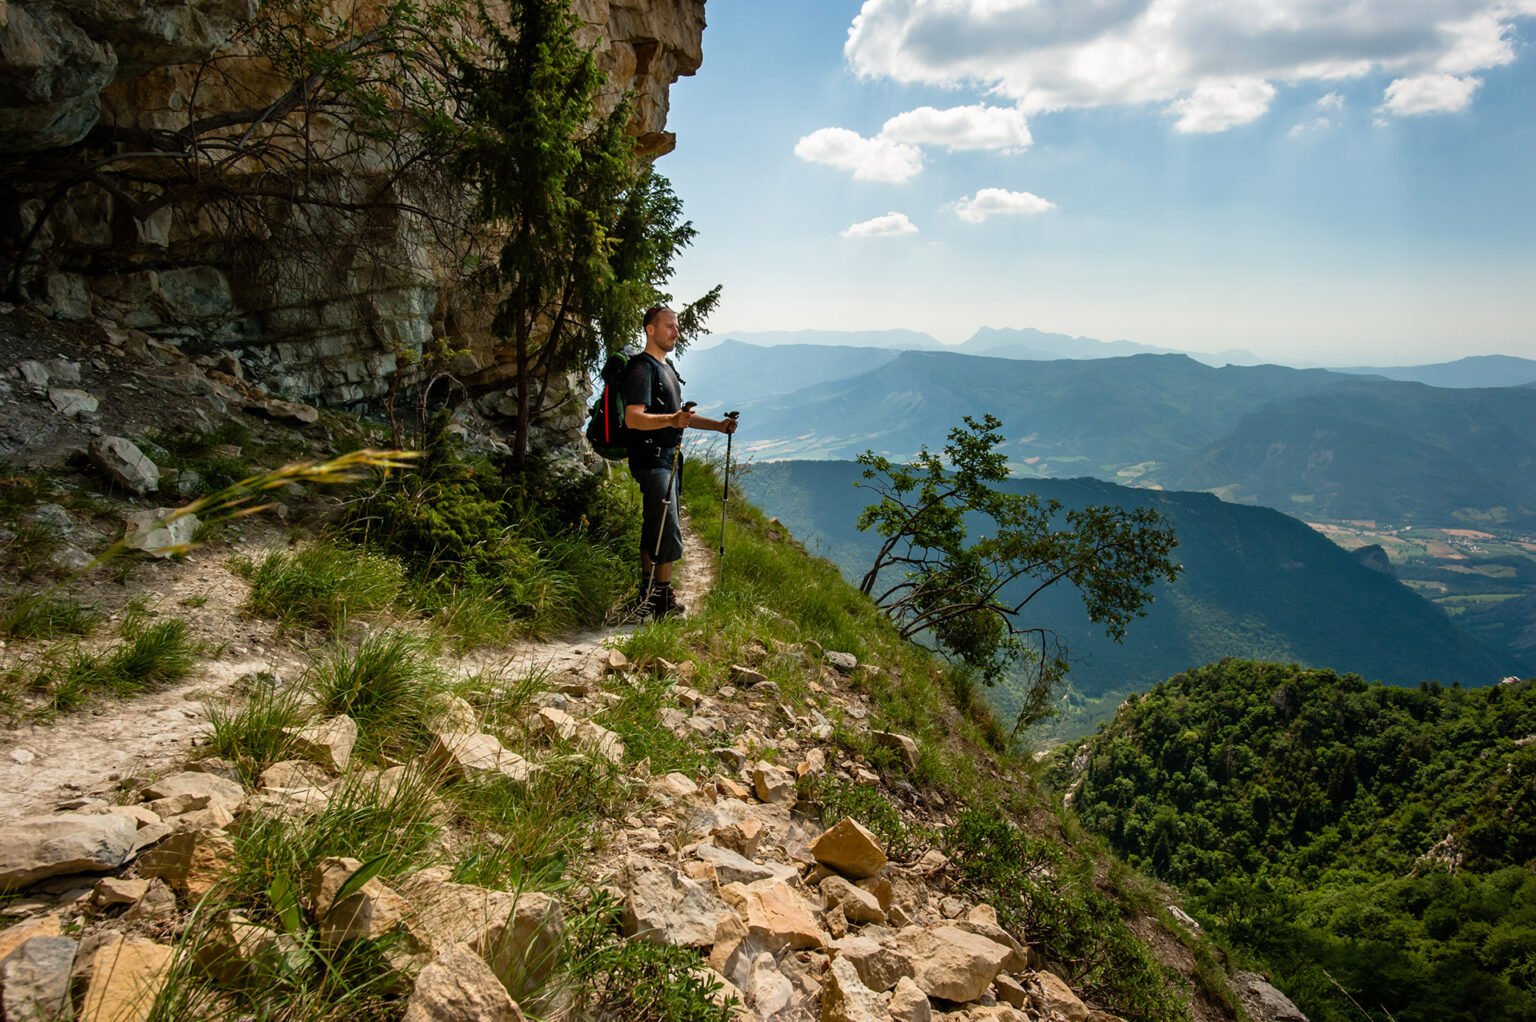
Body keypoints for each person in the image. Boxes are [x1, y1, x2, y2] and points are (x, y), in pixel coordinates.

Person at [623, 305, 737, 618]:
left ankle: (648, 595)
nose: (676, 332)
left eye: (676, 327)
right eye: (670, 326)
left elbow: (679, 419)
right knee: (667, 525)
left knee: (654, 524)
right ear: (650, 329)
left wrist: (717, 425)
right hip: (652, 458)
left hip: (666, 459)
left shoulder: (668, 367)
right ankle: (660, 599)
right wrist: (672, 420)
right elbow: (633, 419)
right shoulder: (641, 368)